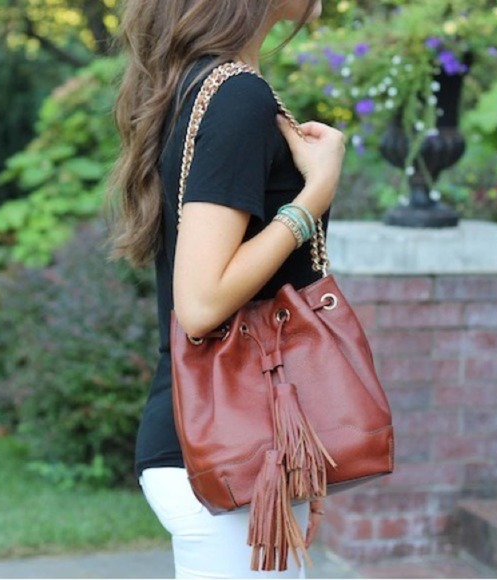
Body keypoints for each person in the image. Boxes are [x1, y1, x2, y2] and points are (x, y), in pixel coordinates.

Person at [108, 1, 346, 577]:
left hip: (239, 446)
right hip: (223, 456)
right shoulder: (236, 97)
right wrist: (314, 195)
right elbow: (200, 304)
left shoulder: (203, 88)